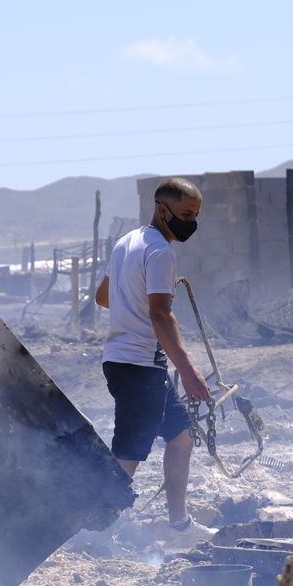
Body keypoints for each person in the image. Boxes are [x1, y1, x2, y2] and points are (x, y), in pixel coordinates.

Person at [94, 177, 211, 533]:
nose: (191, 222)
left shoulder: (127, 242)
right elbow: (161, 315)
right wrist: (189, 372)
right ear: (162, 210)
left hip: (130, 362)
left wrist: (133, 305)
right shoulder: (161, 252)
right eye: (186, 214)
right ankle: (95, 531)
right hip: (138, 365)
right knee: (128, 453)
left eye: (196, 215)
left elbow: (103, 297)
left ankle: (179, 526)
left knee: (181, 437)